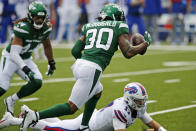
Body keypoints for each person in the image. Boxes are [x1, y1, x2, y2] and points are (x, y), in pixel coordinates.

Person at [20, 3, 152, 131]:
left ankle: (84, 126)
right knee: (71, 107)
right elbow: (128, 52)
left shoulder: (89, 26)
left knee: (97, 90)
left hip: (79, 65)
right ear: (115, 17)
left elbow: (75, 51)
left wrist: (85, 62)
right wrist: (145, 44)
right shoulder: (118, 26)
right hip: (91, 68)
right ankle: (34, 116)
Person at [0, 82, 167, 131]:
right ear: (130, 99)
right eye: (139, 101)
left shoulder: (137, 107)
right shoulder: (120, 111)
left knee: (58, 124)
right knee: (53, 129)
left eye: (142, 100)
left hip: (93, 118)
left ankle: (30, 114)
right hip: (87, 127)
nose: (142, 104)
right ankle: (12, 120)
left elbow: (151, 123)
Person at [0, 1, 56, 116]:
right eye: (37, 17)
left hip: (25, 58)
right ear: (30, 16)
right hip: (10, 58)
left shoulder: (46, 28)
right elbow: (14, 54)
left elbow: (47, 45)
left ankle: (11, 100)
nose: (39, 20)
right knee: (3, 87)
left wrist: (51, 62)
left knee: (37, 82)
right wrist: (25, 69)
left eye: (42, 17)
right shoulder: (23, 27)